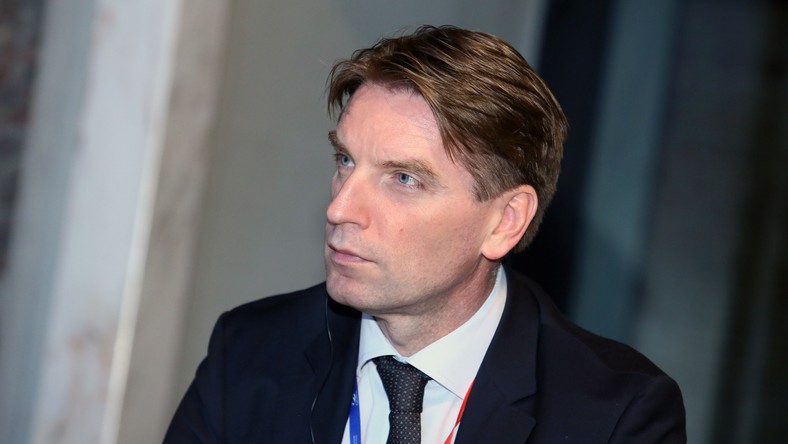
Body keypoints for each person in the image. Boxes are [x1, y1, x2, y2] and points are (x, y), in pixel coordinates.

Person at [165, 25, 686, 443]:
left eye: (403, 179)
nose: (340, 208)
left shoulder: (615, 415)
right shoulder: (251, 351)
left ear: (505, 221)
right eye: (345, 161)